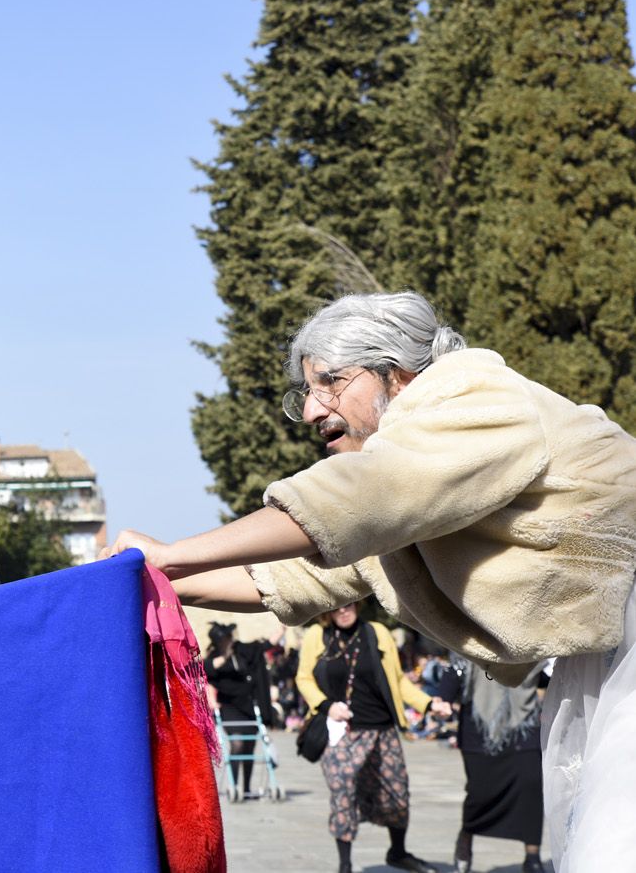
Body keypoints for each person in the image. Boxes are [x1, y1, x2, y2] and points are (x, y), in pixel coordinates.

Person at [109, 290, 636, 872]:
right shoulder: (416, 483)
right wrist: (157, 580)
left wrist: (174, 553)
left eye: (330, 382)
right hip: (601, 662)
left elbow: (358, 497)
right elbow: (292, 577)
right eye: (307, 392)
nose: (312, 411)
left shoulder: (478, 396)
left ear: (398, 371)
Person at [295, 601, 445, 872]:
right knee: (342, 791)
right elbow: (303, 679)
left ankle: (397, 852)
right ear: (327, 609)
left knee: (397, 793)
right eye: (336, 605)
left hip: (382, 729)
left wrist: (428, 703)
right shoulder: (317, 635)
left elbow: (398, 681)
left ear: (358, 603)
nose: (343, 609)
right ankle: (345, 865)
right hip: (342, 732)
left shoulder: (376, 632)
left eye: (349, 603)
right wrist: (328, 705)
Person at [438, 658, 549, 873]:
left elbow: (546, 674)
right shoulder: (471, 633)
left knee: (531, 784)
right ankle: (466, 837)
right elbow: (456, 669)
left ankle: (532, 856)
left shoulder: (531, 633)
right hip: (479, 728)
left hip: (522, 724)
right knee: (479, 792)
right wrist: (443, 699)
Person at [204, 621, 277, 799]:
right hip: (228, 706)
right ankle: (234, 784)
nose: (229, 640)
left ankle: (246, 788)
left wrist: (280, 630)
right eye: (225, 638)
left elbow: (261, 647)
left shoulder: (242, 651)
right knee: (237, 743)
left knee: (249, 747)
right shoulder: (215, 656)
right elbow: (208, 669)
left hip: (247, 706)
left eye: (229, 637)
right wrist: (225, 656)